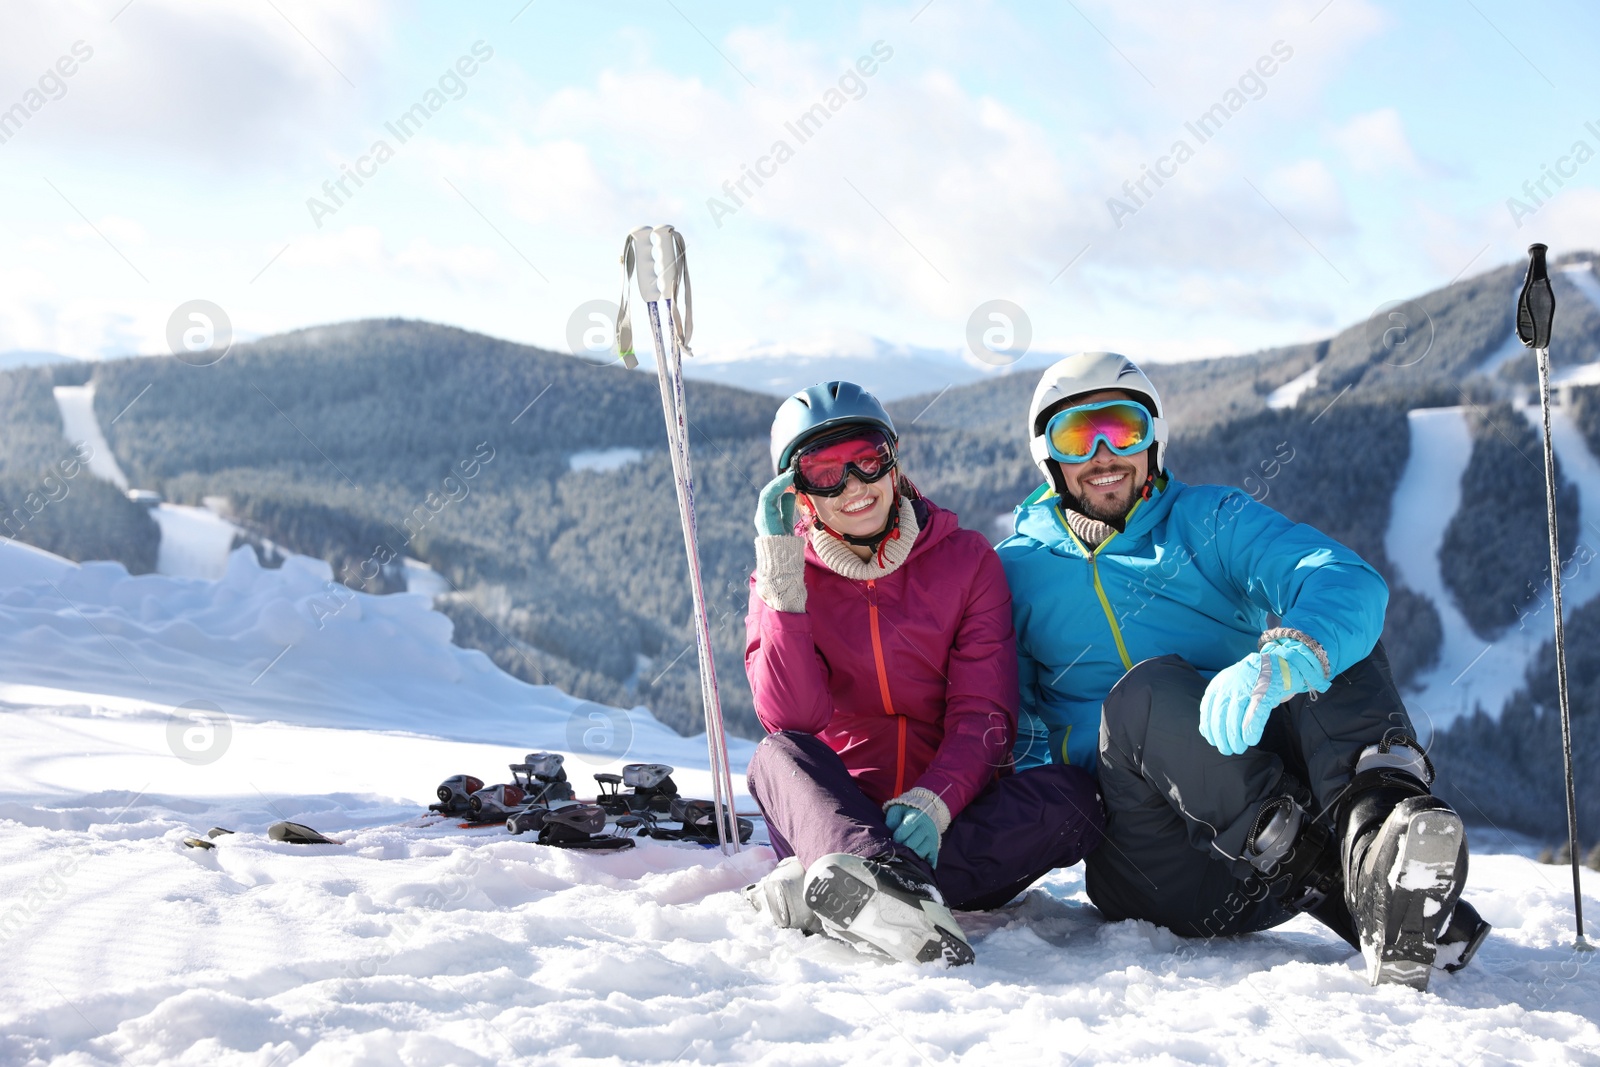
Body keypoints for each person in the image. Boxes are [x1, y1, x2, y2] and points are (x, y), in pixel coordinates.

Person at [997, 352, 1491, 990]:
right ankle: (1344, 892)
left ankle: (1378, 847)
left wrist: (1287, 656)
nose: (1102, 452)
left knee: (1331, 639)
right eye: (1076, 435)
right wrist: (1096, 744)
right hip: (1156, 865)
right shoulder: (1015, 571)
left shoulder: (1209, 520)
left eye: (1122, 428)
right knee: (1144, 694)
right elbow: (1002, 722)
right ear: (1049, 456)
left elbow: (1344, 579)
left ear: (1155, 439)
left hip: (1273, 814)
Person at [741, 381, 1104, 965]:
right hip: (837, 816)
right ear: (799, 491)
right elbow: (793, 717)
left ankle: (842, 893)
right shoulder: (785, 578)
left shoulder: (965, 561)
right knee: (776, 755)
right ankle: (872, 882)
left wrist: (936, 800)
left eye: (866, 459)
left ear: (893, 460)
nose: (854, 486)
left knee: (1074, 799)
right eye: (824, 471)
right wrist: (781, 573)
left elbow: (983, 713)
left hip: (945, 821)